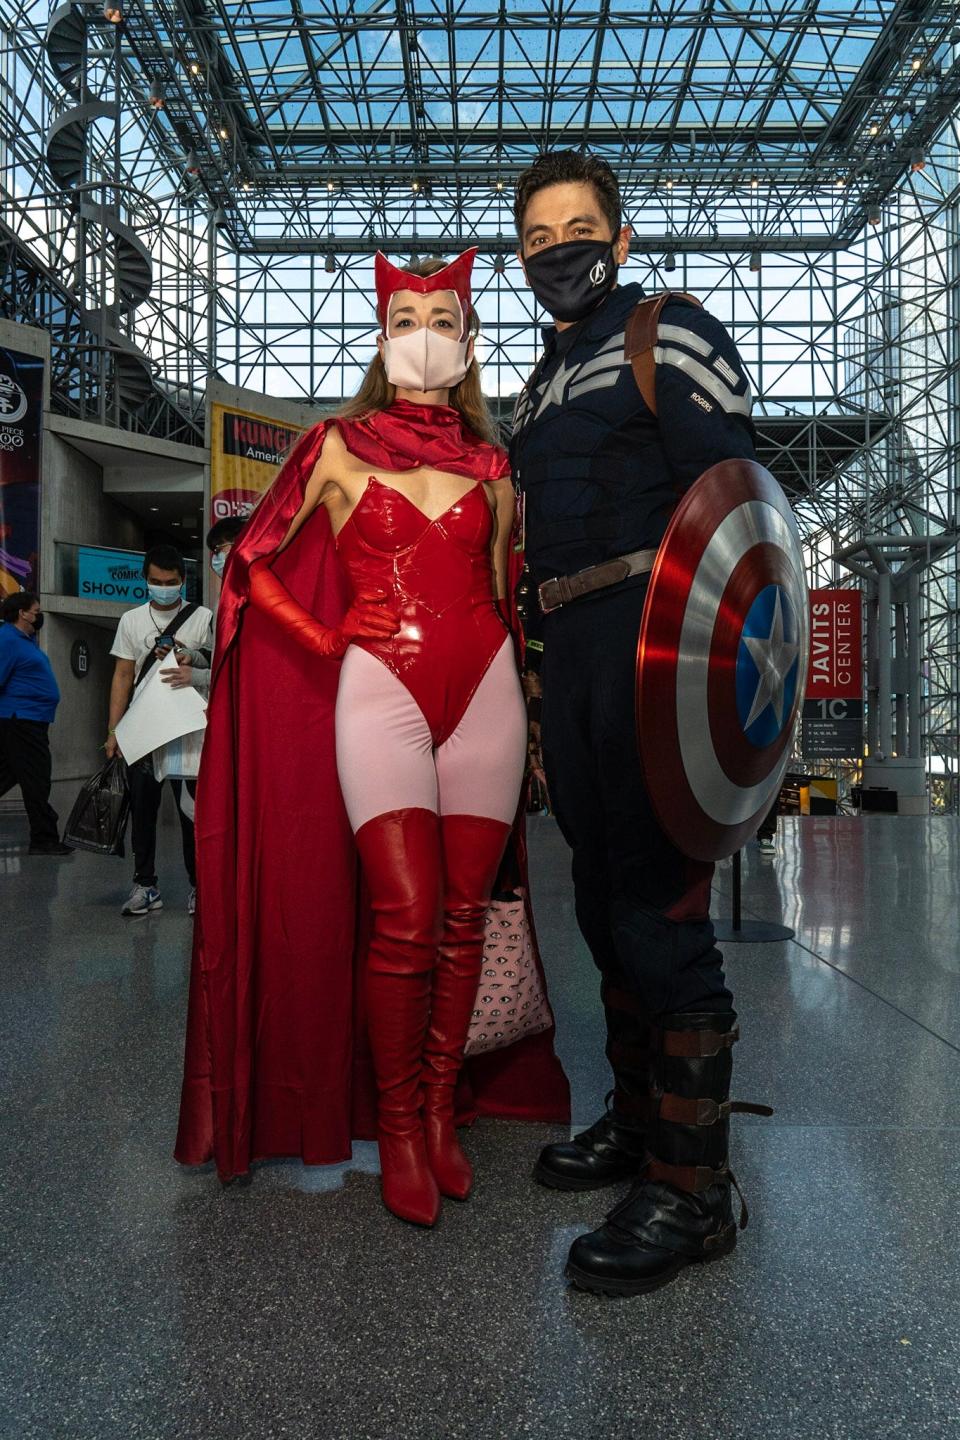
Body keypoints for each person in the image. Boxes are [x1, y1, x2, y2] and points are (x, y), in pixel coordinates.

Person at [175, 250, 570, 1226]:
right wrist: (324, 634)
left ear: (470, 340)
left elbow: (507, 594)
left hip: (484, 694)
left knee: (463, 917)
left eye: (443, 317)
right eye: (405, 317)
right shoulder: (336, 446)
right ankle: (396, 1127)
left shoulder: (496, 464)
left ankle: (439, 1112)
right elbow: (251, 565)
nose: (424, 334)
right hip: (378, 688)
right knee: (404, 912)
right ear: (382, 335)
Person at [511, 150, 760, 1295]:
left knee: (661, 908)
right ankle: (635, 1123)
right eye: (535, 236)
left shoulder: (672, 335)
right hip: (573, 659)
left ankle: (695, 1188)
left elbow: (738, 518)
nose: (554, 248)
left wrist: (729, 699)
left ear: (617, 238)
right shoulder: (534, 384)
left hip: (659, 648)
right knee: (606, 908)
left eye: (575, 228)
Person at [106, 546, 213, 917]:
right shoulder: (131, 620)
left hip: (189, 732)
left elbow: (221, 667)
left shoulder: (204, 618)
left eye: (170, 582)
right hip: (145, 729)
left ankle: (199, 888)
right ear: (145, 579)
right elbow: (122, 675)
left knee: (192, 815)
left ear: (183, 581)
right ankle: (145, 885)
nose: (163, 588)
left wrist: (193, 658)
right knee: (143, 810)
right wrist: (114, 732)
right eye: (155, 581)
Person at [0, 591, 71, 855]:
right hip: (20, 720)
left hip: (29, 720)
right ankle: (43, 839)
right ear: (23, 613)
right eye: (36, 610)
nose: (38, 615)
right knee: (36, 778)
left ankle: (44, 837)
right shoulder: (7, 638)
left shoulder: (24, 640)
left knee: (11, 775)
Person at [159, 519, 246, 700]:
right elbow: (211, 653)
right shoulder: (223, 599)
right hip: (222, 702)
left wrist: (199, 677)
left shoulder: (255, 596)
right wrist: (189, 656)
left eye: (218, 550)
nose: (215, 558)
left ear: (241, 544)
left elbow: (248, 665)